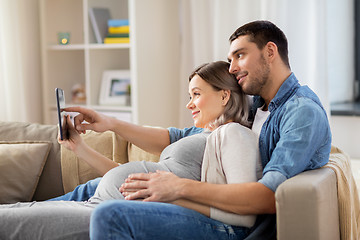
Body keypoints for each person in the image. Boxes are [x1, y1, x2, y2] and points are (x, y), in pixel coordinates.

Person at [89, 20, 332, 239]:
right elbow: (177, 136)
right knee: (91, 189)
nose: (232, 68)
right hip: (209, 209)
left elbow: (269, 196)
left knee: (110, 215)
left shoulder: (301, 112)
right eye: (230, 60)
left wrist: (178, 188)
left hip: (237, 226)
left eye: (240, 56)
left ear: (270, 51)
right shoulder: (253, 105)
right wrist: (111, 124)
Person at [0, 61, 261, 239]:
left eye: (196, 94)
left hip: (113, 209)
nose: (189, 104)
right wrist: (79, 147)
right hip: (104, 199)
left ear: (224, 96)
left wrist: (172, 195)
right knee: (11, 215)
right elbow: (136, 180)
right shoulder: (203, 134)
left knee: (10, 224)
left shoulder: (235, 134)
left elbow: (242, 214)